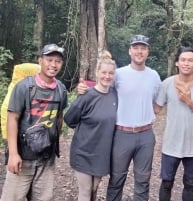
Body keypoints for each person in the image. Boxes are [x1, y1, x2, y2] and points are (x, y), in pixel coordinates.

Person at [77, 34, 161, 201]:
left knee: (143, 181)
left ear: (147, 52)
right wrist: (85, 88)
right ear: (130, 51)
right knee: (116, 179)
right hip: (121, 134)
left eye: (143, 48)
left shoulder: (154, 76)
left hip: (145, 135)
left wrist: (145, 112)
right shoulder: (119, 74)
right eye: (136, 48)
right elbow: (103, 88)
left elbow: (158, 104)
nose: (139, 51)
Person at [0, 44, 68, 201]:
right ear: (40, 61)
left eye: (57, 61)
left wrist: (55, 143)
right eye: (49, 59)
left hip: (46, 159)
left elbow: (59, 117)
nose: (53, 64)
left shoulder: (61, 90)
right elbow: (12, 118)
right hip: (23, 158)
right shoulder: (24, 87)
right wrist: (13, 154)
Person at [154, 47, 193, 201]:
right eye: (183, 60)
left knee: (189, 183)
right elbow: (156, 109)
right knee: (166, 183)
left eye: (190, 60)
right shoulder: (167, 84)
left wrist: (189, 102)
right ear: (177, 62)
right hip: (171, 143)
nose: (186, 63)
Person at [64, 52, 118, 201]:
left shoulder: (115, 95)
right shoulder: (87, 95)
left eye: (110, 73)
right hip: (83, 151)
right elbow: (69, 119)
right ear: (97, 73)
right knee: (86, 191)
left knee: (94, 190)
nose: (107, 76)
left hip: (102, 153)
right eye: (104, 72)